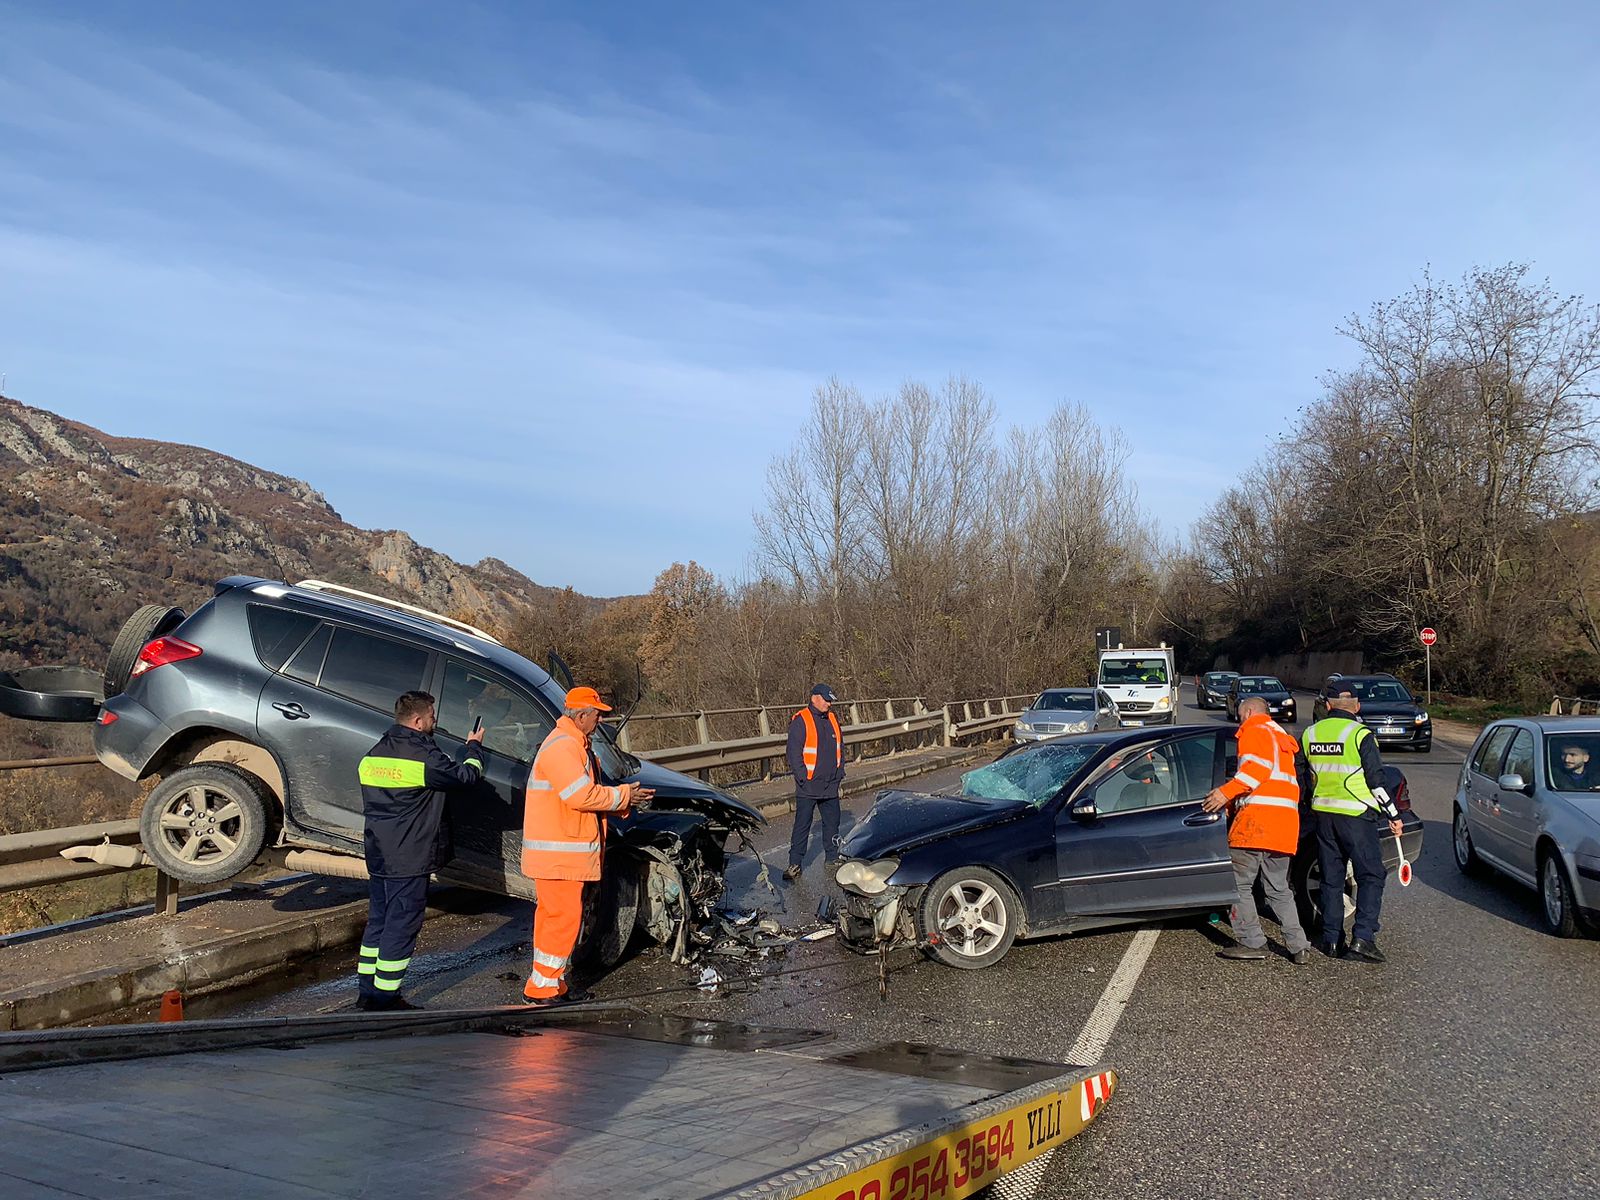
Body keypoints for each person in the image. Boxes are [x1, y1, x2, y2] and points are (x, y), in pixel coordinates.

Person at [521, 685, 653, 1006]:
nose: (600, 720)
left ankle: (551, 983)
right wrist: (623, 796)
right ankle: (543, 989)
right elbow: (580, 796)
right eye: (597, 714)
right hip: (559, 857)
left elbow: (584, 793)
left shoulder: (573, 744)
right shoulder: (564, 748)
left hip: (559, 855)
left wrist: (621, 799)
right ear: (581, 715)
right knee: (561, 920)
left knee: (555, 920)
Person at [355, 690, 485, 1011]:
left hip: (379, 852)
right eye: (432, 716)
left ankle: (367, 991)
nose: (435, 721)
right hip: (408, 856)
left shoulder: (374, 753)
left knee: (379, 923)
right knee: (402, 925)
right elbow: (467, 776)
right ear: (417, 720)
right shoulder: (423, 757)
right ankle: (386, 998)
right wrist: (474, 748)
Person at [1203, 696, 1312, 964]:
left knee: (1238, 884)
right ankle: (1299, 946)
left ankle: (1252, 942)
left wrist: (1223, 794)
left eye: (1240, 715)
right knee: (1278, 889)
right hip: (1284, 826)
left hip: (1256, 824)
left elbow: (1255, 771)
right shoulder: (1281, 739)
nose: (1239, 721)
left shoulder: (1254, 731)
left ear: (1249, 711)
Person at [1301, 682, 1404, 963]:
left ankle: (1332, 939)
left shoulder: (1310, 734)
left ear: (1329, 706)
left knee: (1331, 879)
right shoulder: (1361, 734)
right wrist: (1394, 815)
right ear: (1357, 707)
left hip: (1323, 817)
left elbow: (1303, 779)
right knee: (1371, 875)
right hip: (1357, 817)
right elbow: (1377, 782)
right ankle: (1362, 938)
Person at [784, 684, 845, 882]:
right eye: (826, 700)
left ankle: (832, 857)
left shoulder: (832, 719)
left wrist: (839, 772)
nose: (829, 703)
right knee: (802, 825)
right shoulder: (801, 720)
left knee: (832, 822)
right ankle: (795, 863)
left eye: (830, 700)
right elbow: (794, 753)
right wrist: (803, 777)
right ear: (814, 698)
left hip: (830, 784)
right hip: (808, 785)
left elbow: (840, 748)